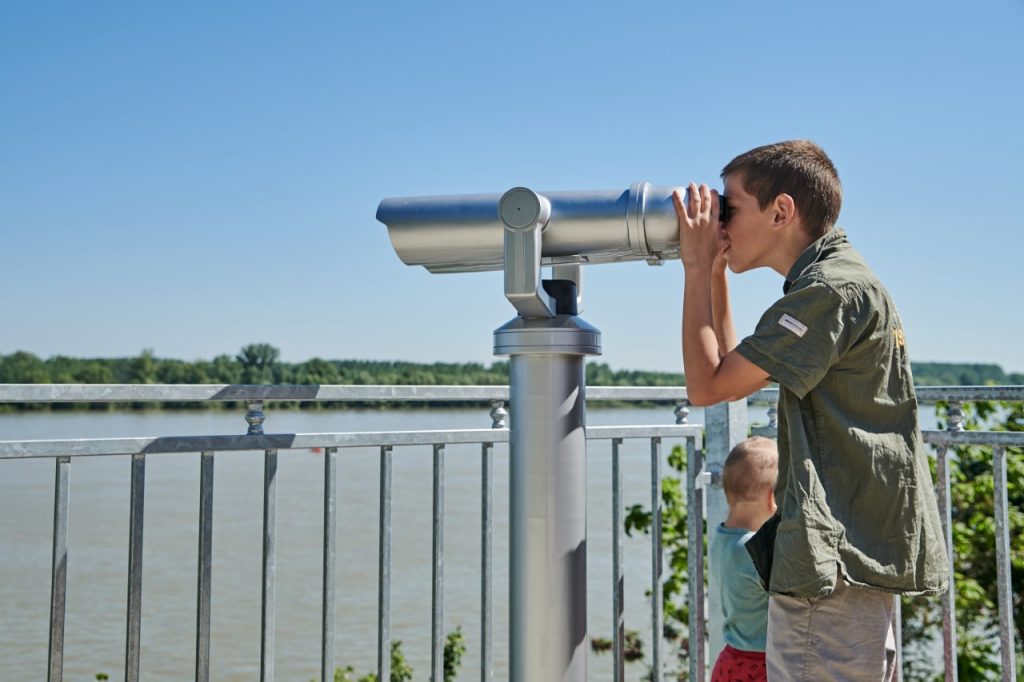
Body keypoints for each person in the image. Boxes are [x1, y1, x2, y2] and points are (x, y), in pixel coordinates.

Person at [673, 140, 947, 681]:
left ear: (781, 211)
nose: (720, 224)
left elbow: (704, 386)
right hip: (855, 553)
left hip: (832, 565)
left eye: (729, 209)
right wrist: (715, 274)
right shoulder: (837, 283)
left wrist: (695, 263)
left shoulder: (828, 293)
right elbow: (731, 376)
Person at [710, 436, 778, 682]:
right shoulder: (755, 550)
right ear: (772, 498)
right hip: (762, 666)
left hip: (729, 661)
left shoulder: (721, 538)